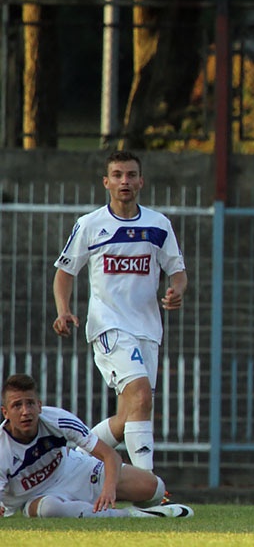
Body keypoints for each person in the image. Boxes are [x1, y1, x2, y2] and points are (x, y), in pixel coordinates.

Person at [52, 151, 187, 473]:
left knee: (133, 410)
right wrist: (63, 310)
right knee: (140, 393)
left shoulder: (158, 224)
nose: (124, 181)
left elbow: (177, 270)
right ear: (106, 182)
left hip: (148, 328)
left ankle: (68, 463)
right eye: (117, 175)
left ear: (141, 181)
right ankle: (148, 487)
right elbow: (64, 272)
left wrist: (177, 290)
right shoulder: (90, 225)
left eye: (130, 175)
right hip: (108, 325)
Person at [0, 373, 193, 518]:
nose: (26, 412)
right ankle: (133, 516)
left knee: (154, 488)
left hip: (73, 470)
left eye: (30, 404)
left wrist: (109, 489)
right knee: (49, 509)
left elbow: (110, 456)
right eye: (17, 405)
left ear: (39, 405)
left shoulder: (58, 419)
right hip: (36, 498)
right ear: (5, 412)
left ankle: (91, 499)